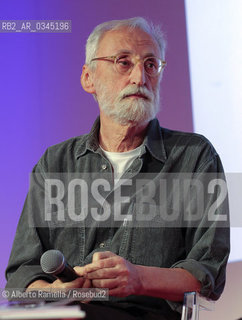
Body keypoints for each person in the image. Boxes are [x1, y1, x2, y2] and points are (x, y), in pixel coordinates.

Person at [5, 17, 230, 320]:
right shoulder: (55, 163)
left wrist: (138, 278)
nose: (140, 76)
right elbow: (21, 274)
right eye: (123, 62)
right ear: (89, 78)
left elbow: (208, 273)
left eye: (151, 65)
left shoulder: (195, 156)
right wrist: (56, 292)